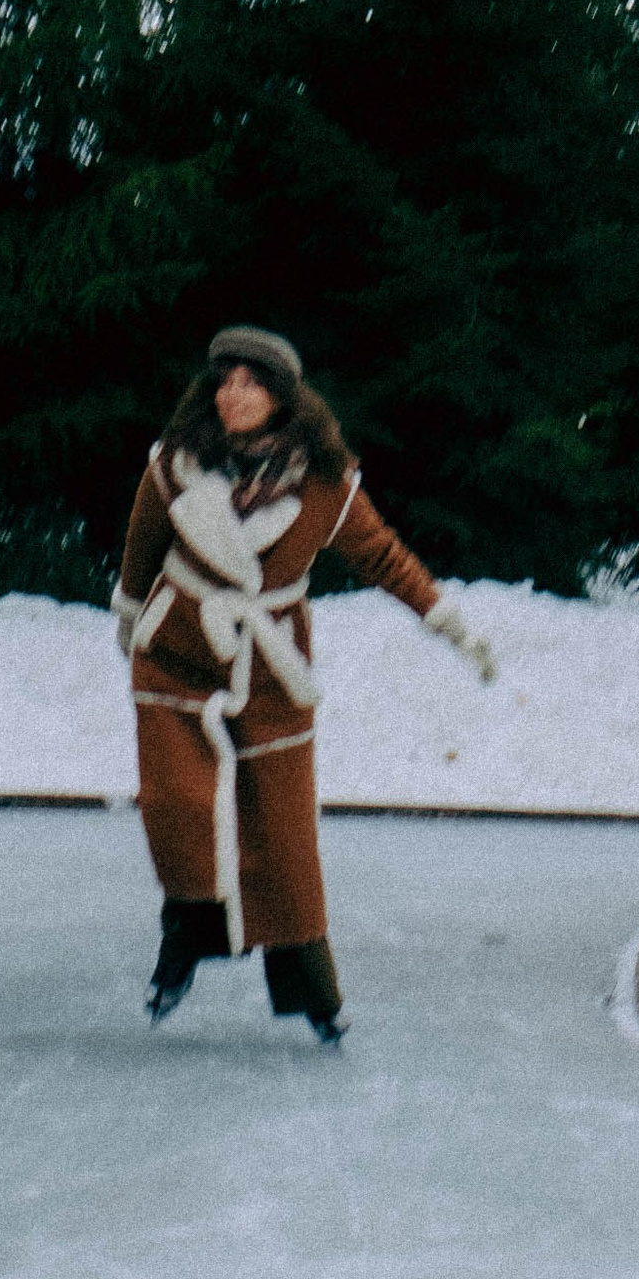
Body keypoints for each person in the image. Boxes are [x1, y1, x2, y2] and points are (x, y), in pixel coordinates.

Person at [114, 325, 494, 1042]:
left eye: (251, 383)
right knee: (181, 811)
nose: (233, 394)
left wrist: (447, 622)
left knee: (282, 837)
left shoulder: (326, 483)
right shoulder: (175, 466)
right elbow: (141, 549)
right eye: (224, 381)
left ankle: (315, 996)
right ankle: (182, 952)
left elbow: (383, 556)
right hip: (179, 652)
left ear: (283, 397)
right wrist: (131, 619)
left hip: (271, 665)